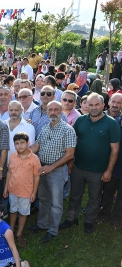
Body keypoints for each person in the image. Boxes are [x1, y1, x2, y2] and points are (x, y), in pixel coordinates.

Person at [61, 93, 120, 233]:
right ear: (86, 105)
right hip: (78, 167)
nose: (93, 108)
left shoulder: (112, 123)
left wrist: (109, 170)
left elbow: (115, 150)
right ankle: (71, 218)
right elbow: (71, 142)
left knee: (94, 197)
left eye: (96, 105)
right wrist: (70, 163)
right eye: (90, 105)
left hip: (99, 170)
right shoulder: (80, 120)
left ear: (103, 105)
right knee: (75, 194)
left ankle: (89, 221)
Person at [28, 101, 76, 242]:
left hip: (57, 171)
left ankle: (53, 230)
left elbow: (70, 154)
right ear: (47, 112)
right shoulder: (45, 128)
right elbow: (37, 145)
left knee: (56, 203)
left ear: (61, 111)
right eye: (50, 110)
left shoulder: (68, 130)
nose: (53, 112)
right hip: (42, 168)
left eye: (56, 109)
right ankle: (42, 223)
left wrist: (52, 167)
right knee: (43, 198)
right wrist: (24, 154)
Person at [3, 132, 41, 248]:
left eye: (22, 143)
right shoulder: (13, 156)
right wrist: (6, 188)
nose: (20, 146)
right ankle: (11, 230)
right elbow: (9, 172)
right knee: (13, 210)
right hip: (13, 189)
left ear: (28, 143)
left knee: (23, 213)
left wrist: (34, 192)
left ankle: (19, 233)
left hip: (26, 191)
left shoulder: (34, 158)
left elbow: (36, 176)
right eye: (17, 143)